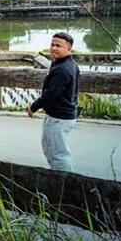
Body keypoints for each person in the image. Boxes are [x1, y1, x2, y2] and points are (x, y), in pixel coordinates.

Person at [27, 32, 80, 172]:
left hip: (59, 118)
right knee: (54, 151)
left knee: (58, 155)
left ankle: (64, 182)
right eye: (52, 44)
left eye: (58, 45)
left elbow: (50, 95)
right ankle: (61, 179)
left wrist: (33, 107)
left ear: (69, 48)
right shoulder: (68, 64)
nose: (54, 48)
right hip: (63, 116)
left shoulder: (63, 69)